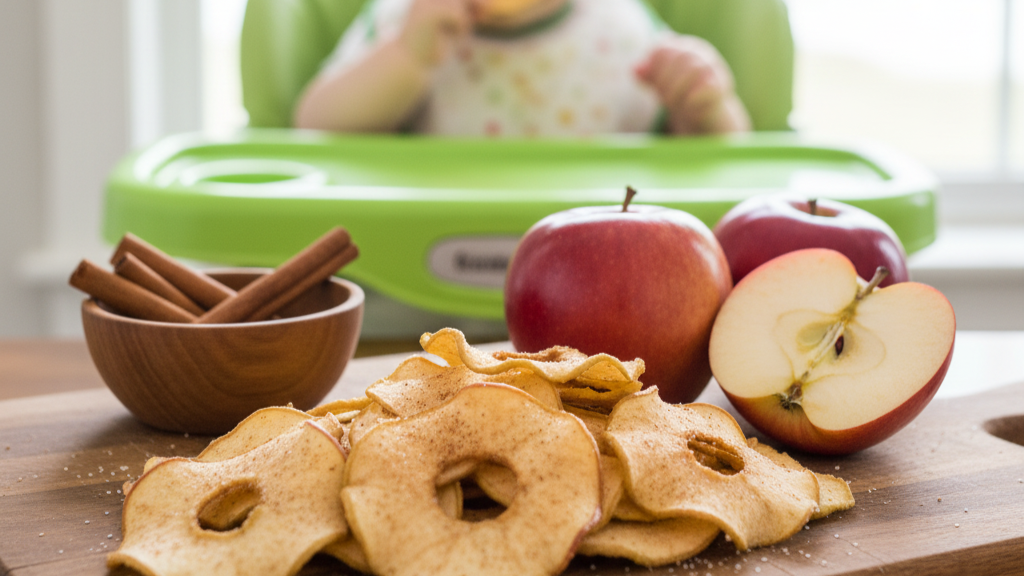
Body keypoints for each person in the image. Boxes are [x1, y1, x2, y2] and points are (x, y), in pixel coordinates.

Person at [294, 0, 751, 137]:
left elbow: (722, 160)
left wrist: (705, 108)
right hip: (420, 288)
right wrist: (409, 58)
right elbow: (314, 122)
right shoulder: (407, 19)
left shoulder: (621, 26)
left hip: (595, 285)